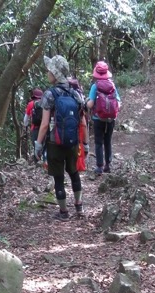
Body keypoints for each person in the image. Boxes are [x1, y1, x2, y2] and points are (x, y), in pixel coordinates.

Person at [35, 55, 89, 220]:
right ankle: (79, 207)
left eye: (49, 70)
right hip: (72, 142)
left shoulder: (49, 95)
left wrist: (38, 144)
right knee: (74, 173)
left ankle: (64, 212)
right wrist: (85, 144)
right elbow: (83, 122)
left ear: (55, 73)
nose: (47, 72)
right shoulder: (75, 94)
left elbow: (44, 124)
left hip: (54, 142)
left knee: (58, 176)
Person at [86, 60, 121, 176]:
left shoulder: (95, 86)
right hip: (111, 119)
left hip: (98, 118)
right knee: (108, 141)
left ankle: (99, 167)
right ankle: (108, 165)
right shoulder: (112, 85)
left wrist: (85, 104)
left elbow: (90, 104)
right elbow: (119, 102)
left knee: (98, 142)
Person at [23, 88, 44, 162]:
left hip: (34, 128)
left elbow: (26, 118)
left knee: (36, 147)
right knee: (45, 146)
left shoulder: (31, 104)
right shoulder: (46, 103)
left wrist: (25, 126)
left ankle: (37, 163)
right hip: (45, 128)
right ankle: (45, 163)